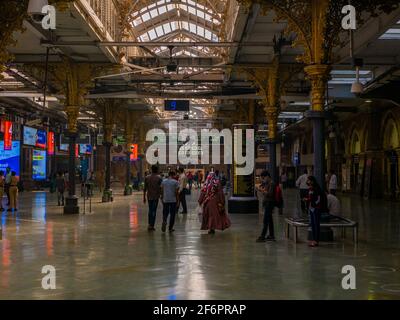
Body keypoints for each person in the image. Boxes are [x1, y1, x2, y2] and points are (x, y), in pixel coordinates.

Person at [304, 176, 327, 247]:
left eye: (308, 180)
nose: (307, 182)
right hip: (311, 208)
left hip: (316, 209)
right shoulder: (310, 189)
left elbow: (317, 199)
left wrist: (311, 202)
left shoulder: (316, 189)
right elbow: (311, 198)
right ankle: (313, 239)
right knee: (313, 225)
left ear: (312, 181)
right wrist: (308, 200)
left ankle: (316, 240)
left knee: (316, 225)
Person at [256, 170, 276, 242]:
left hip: (269, 203)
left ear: (267, 176)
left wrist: (262, 191)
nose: (263, 179)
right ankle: (271, 235)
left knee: (265, 220)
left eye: (264, 178)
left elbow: (270, 194)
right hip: (267, 203)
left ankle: (262, 236)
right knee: (270, 220)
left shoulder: (272, 183)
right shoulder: (268, 183)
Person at [143, 165, 162, 231]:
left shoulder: (147, 177)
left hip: (149, 196)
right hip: (156, 196)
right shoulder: (159, 178)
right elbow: (161, 188)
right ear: (156, 170)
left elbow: (145, 188)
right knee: (154, 211)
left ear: (151, 169)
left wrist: (144, 197)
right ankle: (152, 225)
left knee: (150, 210)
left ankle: (149, 224)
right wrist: (162, 196)